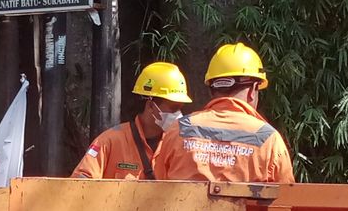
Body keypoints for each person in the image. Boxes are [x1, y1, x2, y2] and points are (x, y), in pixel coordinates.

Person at [153, 42, 294, 183]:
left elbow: (158, 186)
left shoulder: (178, 130)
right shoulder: (269, 140)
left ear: (211, 90)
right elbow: (286, 198)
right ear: (253, 90)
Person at [71, 62, 192, 180]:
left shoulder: (177, 146)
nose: (178, 115)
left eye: (180, 109)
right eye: (174, 108)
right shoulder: (109, 142)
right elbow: (80, 183)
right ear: (150, 106)